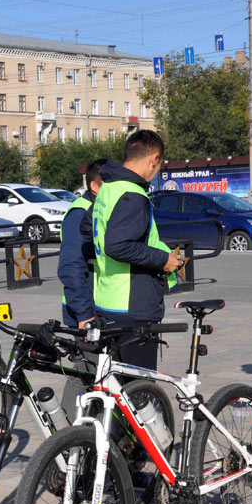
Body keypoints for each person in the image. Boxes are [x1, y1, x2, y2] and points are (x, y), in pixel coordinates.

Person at [80, 130, 181, 369]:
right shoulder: (133, 194)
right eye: (159, 166)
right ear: (154, 158)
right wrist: (162, 260)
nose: (156, 172)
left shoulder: (108, 189)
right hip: (133, 306)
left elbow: (87, 226)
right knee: (139, 390)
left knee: (117, 389)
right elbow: (118, 245)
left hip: (107, 300)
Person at [58, 158, 107, 328]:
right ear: (95, 187)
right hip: (87, 310)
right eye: (110, 186)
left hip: (101, 304)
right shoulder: (81, 213)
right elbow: (70, 266)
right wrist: (84, 314)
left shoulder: (101, 209)